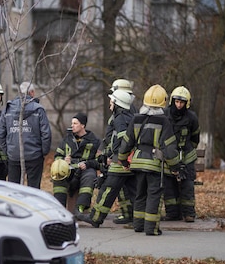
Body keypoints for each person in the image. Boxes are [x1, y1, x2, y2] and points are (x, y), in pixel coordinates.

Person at [118, 84, 179, 236]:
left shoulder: (136, 118)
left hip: (138, 163)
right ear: (163, 102)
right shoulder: (164, 122)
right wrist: (175, 166)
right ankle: (151, 228)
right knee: (154, 195)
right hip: (155, 164)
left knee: (140, 193)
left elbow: (127, 142)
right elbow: (170, 148)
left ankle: (138, 225)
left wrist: (123, 160)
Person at [76, 89, 135, 227]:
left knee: (107, 190)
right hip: (129, 162)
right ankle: (135, 217)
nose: (110, 104)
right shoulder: (129, 117)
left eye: (112, 102)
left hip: (120, 162)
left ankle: (95, 218)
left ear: (117, 104)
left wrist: (119, 157)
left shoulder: (119, 118)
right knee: (131, 190)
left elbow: (121, 140)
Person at [0, 81, 52, 188]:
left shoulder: (7, 109)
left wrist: (8, 151)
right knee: (34, 188)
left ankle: (14, 205)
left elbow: (0, 134)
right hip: (34, 155)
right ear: (31, 92)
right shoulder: (38, 109)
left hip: (14, 155)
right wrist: (43, 152)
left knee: (14, 188)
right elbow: (46, 134)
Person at [163, 85, 201, 222]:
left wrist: (186, 154)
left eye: (182, 102)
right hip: (169, 157)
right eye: (177, 102)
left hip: (186, 155)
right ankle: (172, 214)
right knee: (168, 184)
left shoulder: (192, 117)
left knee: (188, 184)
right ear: (172, 101)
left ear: (187, 103)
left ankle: (189, 213)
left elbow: (195, 138)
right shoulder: (165, 115)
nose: (179, 105)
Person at [51, 113, 101, 215]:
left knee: (90, 176)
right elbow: (57, 157)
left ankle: (80, 209)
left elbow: (99, 161)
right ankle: (59, 209)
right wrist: (64, 161)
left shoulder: (94, 141)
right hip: (68, 170)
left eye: (75, 123)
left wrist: (87, 164)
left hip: (85, 170)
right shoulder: (66, 140)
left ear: (82, 125)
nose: (72, 126)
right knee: (58, 175)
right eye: (72, 123)